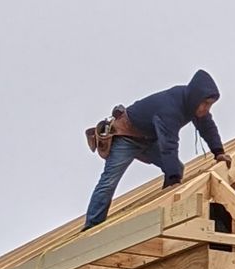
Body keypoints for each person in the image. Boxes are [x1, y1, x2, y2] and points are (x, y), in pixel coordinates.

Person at [84, 71, 224, 228]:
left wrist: (219, 152)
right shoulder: (171, 107)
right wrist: (174, 180)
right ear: (196, 98)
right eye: (205, 104)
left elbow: (208, 127)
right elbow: (168, 143)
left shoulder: (194, 106)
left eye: (210, 105)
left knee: (177, 168)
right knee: (109, 181)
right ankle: (92, 225)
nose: (206, 108)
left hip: (148, 139)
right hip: (127, 137)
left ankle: (162, 211)